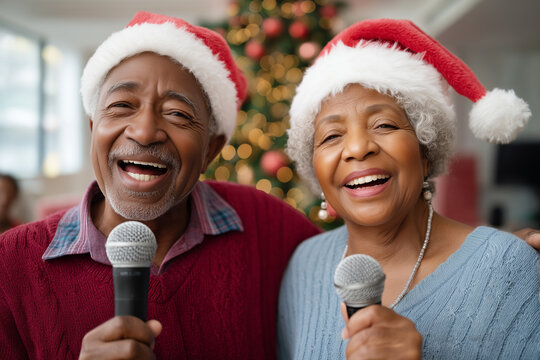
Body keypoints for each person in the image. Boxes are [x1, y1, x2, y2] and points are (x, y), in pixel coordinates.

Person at [0, 12, 320, 359]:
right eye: (122, 106)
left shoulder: (268, 225)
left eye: (178, 114)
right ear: (94, 127)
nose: (144, 131)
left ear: (211, 148)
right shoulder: (9, 263)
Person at [278, 19, 540, 359]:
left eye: (384, 124)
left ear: (426, 152)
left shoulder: (506, 266)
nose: (358, 148)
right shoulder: (304, 265)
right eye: (331, 136)